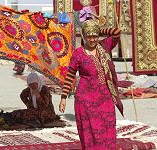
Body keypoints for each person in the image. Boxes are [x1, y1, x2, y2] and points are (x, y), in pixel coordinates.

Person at [59, 18, 124, 150]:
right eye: (89, 36)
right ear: (84, 36)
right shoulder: (79, 54)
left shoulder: (105, 46)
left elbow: (117, 32)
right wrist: (63, 98)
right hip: (86, 100)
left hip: (105, 97)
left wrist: (97, 29)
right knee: (90, 132)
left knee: (108, 128)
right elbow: (70, 75)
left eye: (95, 36)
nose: (92, 39)